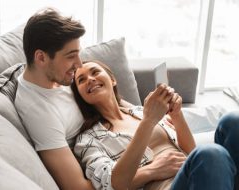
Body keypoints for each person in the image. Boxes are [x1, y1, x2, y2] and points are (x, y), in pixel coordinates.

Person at [71, 60, 239, 190]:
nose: (90, 79)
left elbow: (190, 152)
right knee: (211, 153)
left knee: (232, 121)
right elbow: (112, 184)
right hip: (168, 186)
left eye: (95, 72)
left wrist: (176, 115)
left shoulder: (139, 111)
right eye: (81, 80)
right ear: (80, 94)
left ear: (112, 79)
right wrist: (153, 170)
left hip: (198, 176)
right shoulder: (88, 140)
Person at [14, 8, 95, 189]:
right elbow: (78, 188)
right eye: (71, 56)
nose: (80, 64)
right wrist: (148, 172)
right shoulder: (38, 111)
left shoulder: (59, 75)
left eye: (78, 53)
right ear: (41, 58)